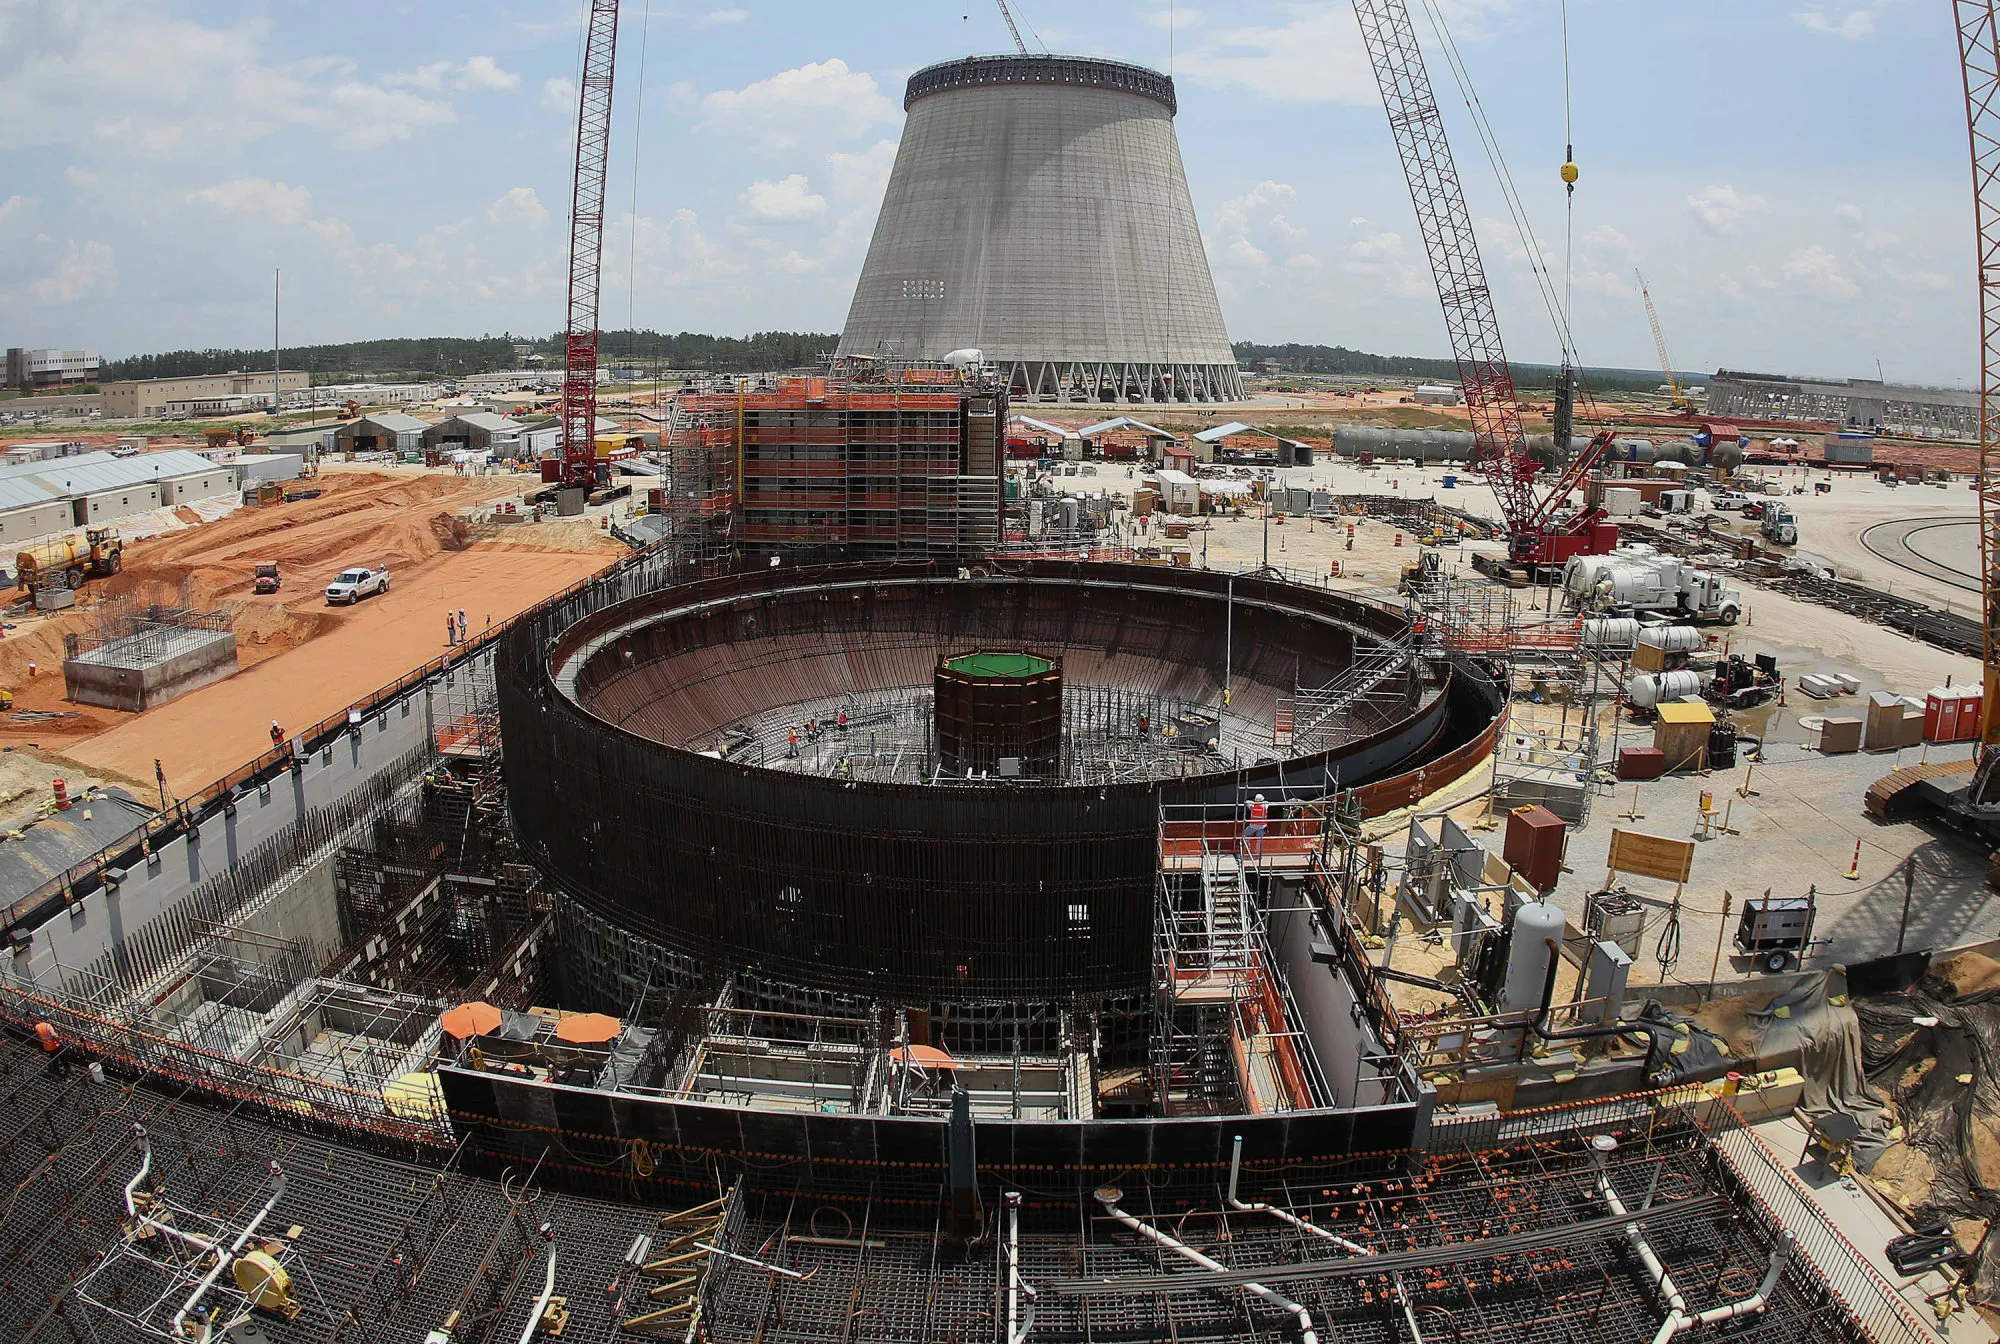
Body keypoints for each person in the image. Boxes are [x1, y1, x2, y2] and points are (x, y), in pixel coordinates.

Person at [1244, 793, 1269, 857]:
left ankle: (1247, 849)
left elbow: (1246, 802)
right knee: (1259, 840)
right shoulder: (1265, 806)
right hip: (1262, 826)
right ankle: (1258, 853)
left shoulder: (1252, 806)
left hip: (1252, 826)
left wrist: (1252, 800)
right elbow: (1267, 802)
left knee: (1246, 835)